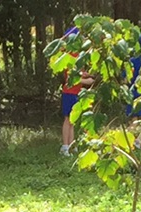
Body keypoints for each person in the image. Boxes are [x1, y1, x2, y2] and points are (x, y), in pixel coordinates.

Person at [59, 27, 84, 156]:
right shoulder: (69, 55)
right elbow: (73, 76)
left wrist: (89, 75)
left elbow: (81, 73)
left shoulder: (78, 55)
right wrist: (86, 81)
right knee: (68, 119)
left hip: (76, 92)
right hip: (69, 92)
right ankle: (65, 146)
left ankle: (71, 144)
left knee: (72, 121)